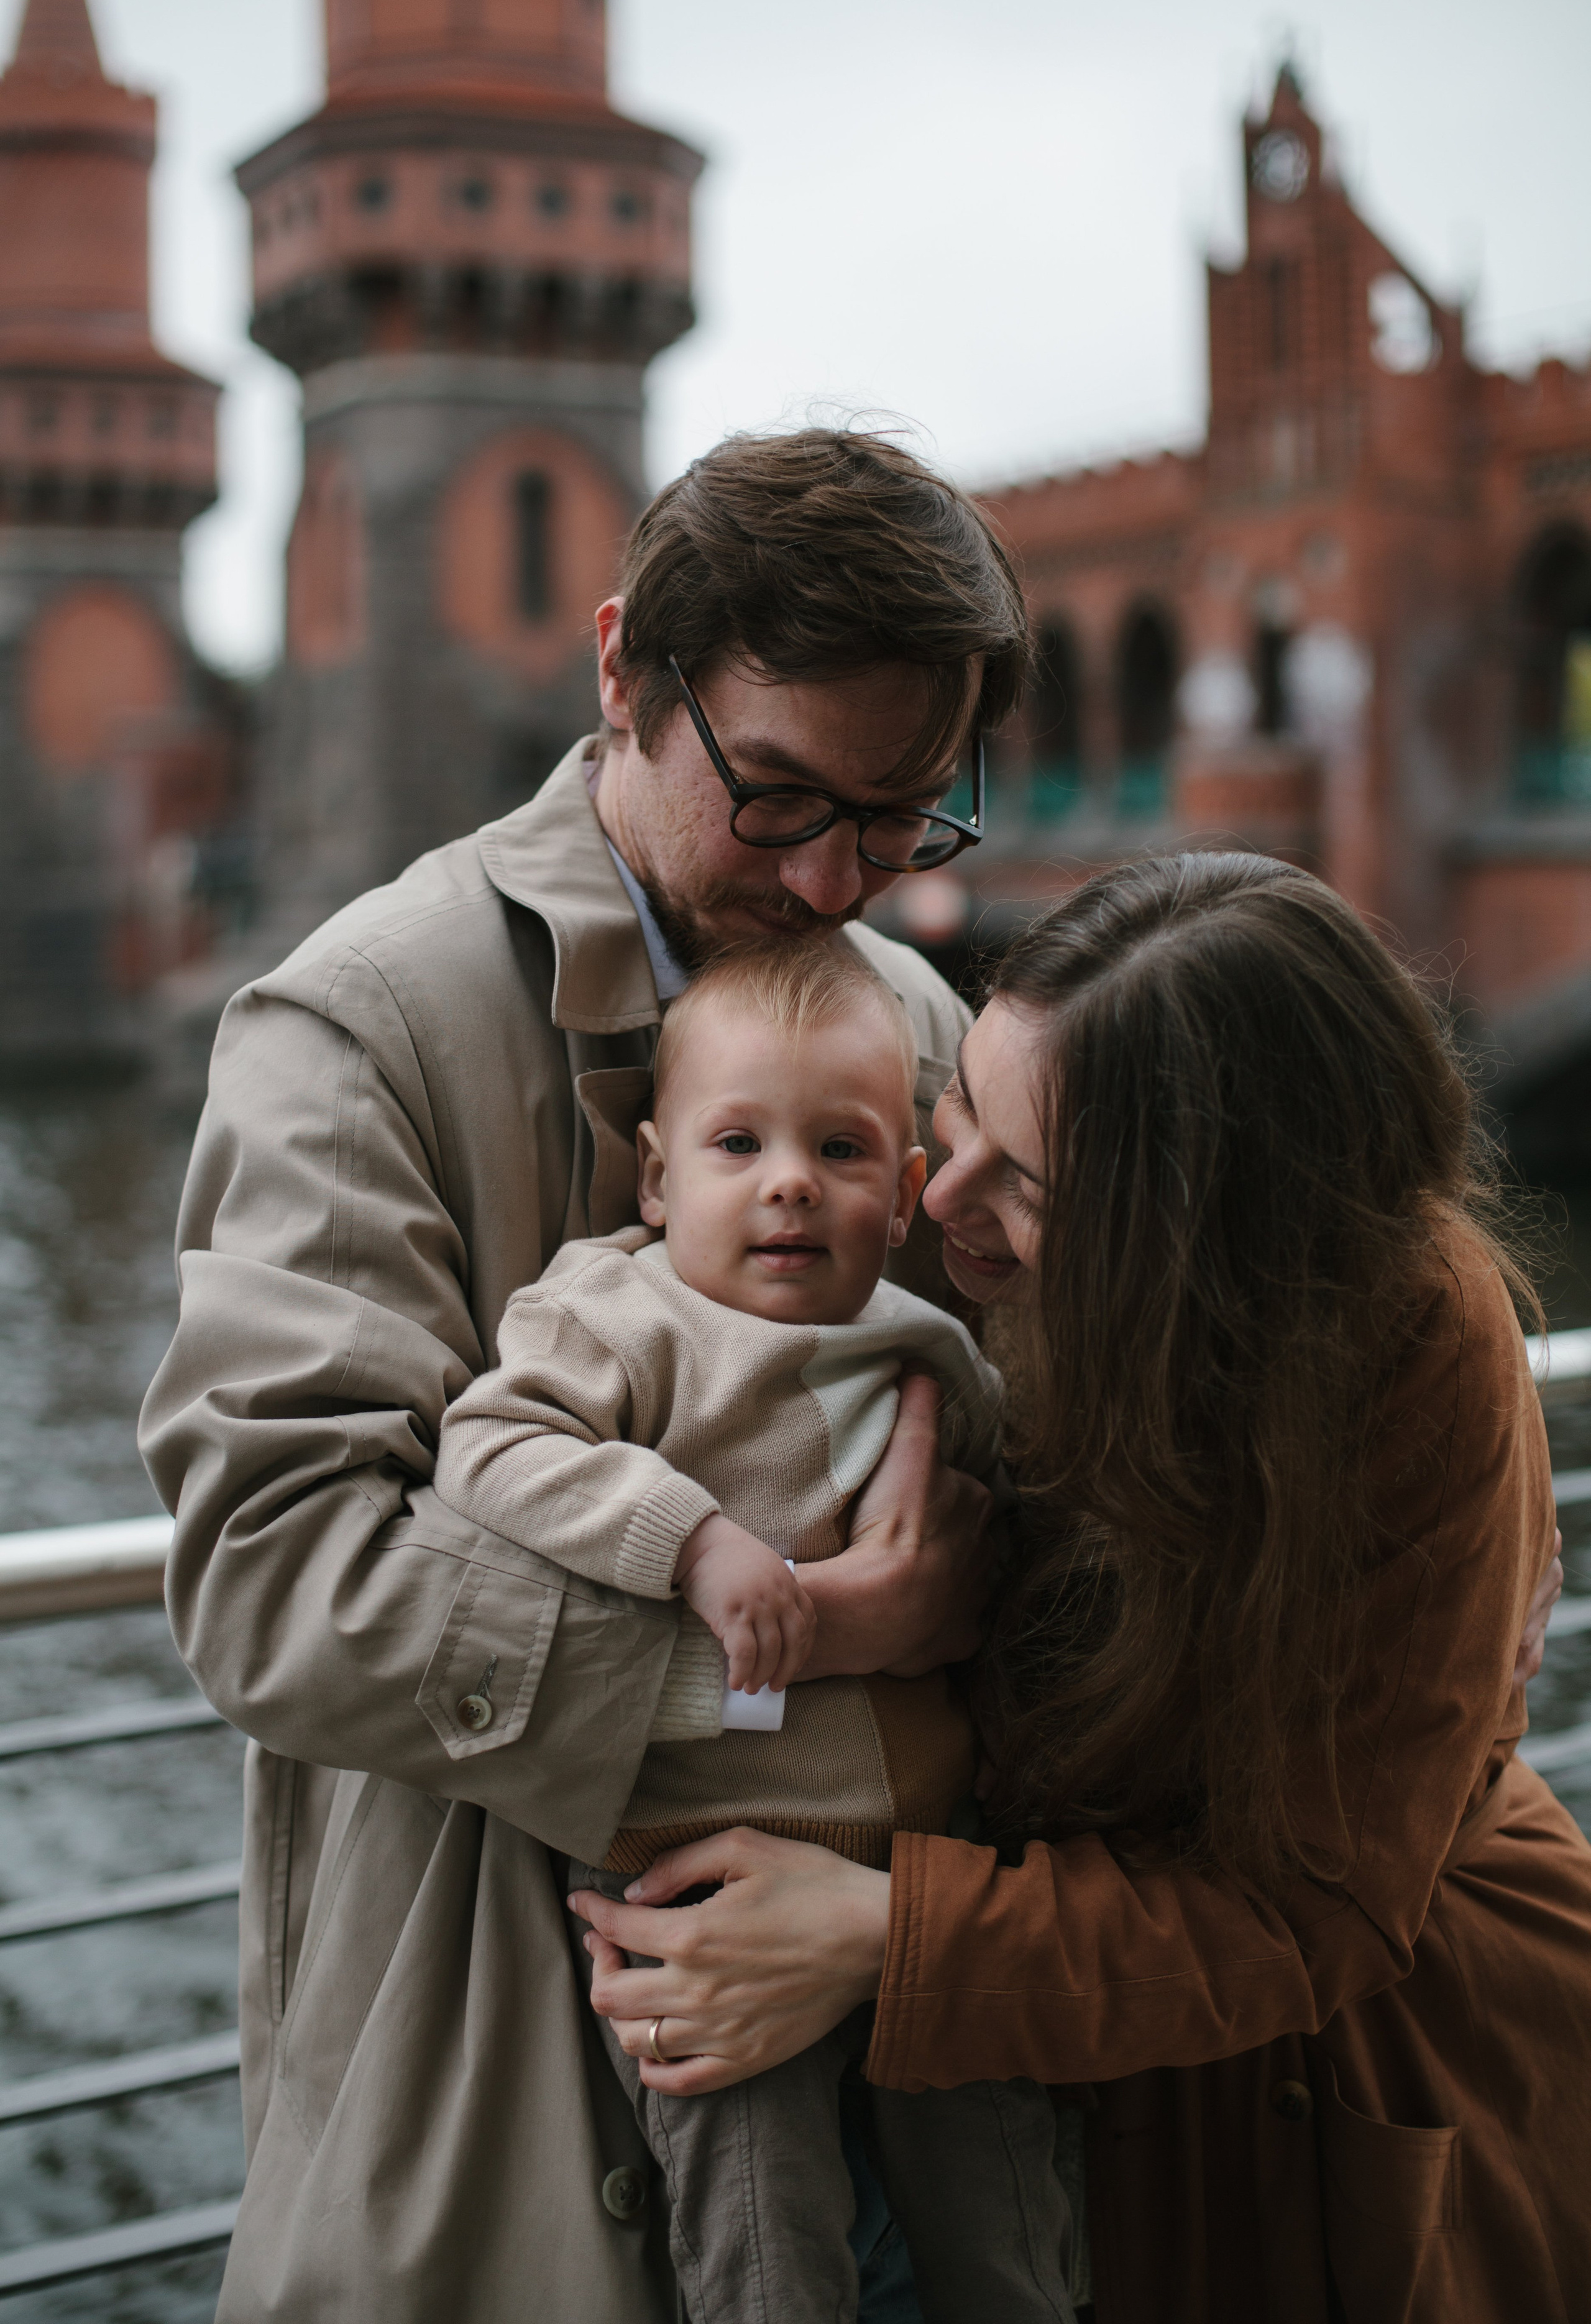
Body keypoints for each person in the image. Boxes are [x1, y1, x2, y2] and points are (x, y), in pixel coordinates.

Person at [137, 427, 1030, 2323]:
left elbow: (1058, 1465)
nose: (830, 884)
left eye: (902, 821)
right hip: (492, 2130)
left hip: (914, 2071)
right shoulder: (355, 1026)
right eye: (778, 797)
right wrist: (811, 1644)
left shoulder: (927, 1020)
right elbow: (272, 1577)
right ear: (624, 669)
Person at [569, 853, 1591, 2324]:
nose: (944, 1194)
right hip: (1033, 2067)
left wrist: (872, 1934)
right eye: (963, 1100)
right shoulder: (876, 1183)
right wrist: (849, 1623)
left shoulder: (1403, 1350)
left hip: (1336, 2082)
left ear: (1208, 1243)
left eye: (1036, 1188)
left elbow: (1311, 1906)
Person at [433, 938, 1076, 2324]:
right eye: (738, 1143)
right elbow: (490, 1449)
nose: (788, 1180)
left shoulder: (925, 1348)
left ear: (903, 1196)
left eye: (839, 1150)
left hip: (928, 1869)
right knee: (761, 2229)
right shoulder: (618, 1313)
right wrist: (692, 1540)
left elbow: (1021, 1521)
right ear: (659, 1177)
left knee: (1003, 2193)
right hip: (705, 1891)